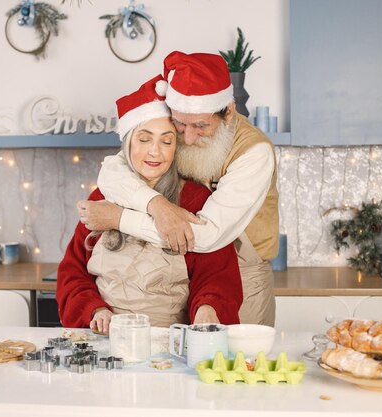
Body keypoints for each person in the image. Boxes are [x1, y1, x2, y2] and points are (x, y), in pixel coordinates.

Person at [80, 51, 279, 326]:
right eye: (180, 124)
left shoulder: (254, 153)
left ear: (228, 112)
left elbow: (206, 235)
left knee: (240, 364)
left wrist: (119, 218)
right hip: (183, 280)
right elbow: (114, 170)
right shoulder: (177, 124)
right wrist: (157, 205)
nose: (186, 137)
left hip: (242, 275)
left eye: (200, 126)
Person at [56, 75, 242, 334]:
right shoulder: (102, 198)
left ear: (176, 147)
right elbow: (72, 275)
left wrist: (208, 308)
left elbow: (218, 279)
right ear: (128, 143)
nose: (155, 151)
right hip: (105, 341)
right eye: (144, 140)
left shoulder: (195, 200)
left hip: (169, 342)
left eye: (166, 141)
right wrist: (94, 309)